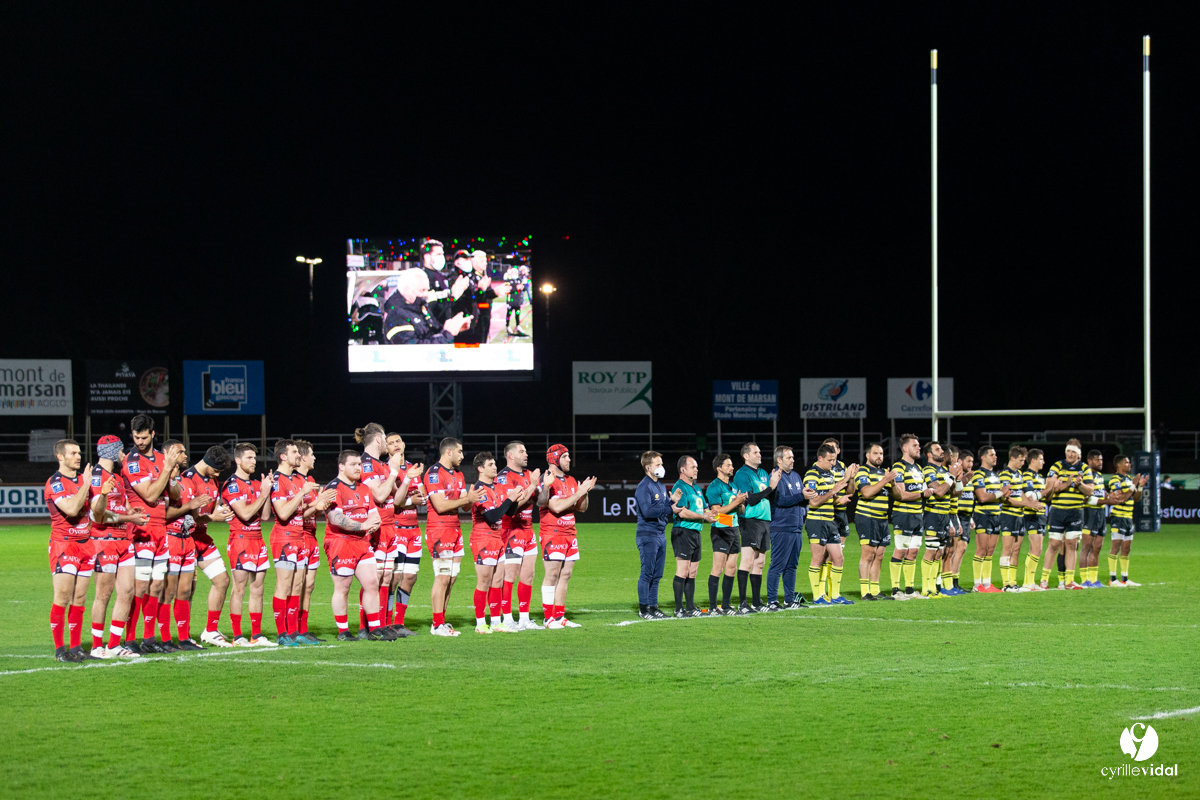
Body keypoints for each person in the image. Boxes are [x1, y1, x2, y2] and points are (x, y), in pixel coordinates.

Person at [123, 414, 185, 653]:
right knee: (140, 587)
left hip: (161, 529)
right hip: (142, 530)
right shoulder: (133, 461)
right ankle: (129, 640)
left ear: (153, 434)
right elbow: (149, 496)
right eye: (136, 437)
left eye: (144, 436)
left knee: (157, 586)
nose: (139, 441)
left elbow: (177, 495)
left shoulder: (162, 458)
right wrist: (168, 471)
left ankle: (149, 639)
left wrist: (170, 477)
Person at [323, 451, 398, 640]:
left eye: (359, 464)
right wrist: (363, 525)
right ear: (341, 466)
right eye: (353, 464)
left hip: (362, 542)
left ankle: (374, 628)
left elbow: (374, 513)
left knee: (372, 583)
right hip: (341, 542)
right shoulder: (333, 488)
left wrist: (374, 523)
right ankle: (343, 631)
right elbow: (335, 518)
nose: (359, 468)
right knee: (343, 587)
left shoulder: (364, 489)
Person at [87, 436, 148, 658]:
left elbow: (122, 508)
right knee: (103, 594)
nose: (124, 456)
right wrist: (127, 517)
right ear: (113, 452)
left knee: (128, 592)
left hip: (124, 541)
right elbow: (97, 515)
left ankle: (113, 645)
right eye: (121, 452)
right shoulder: (96, 476)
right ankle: (96, 646)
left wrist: (132, 514)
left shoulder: (118, 478)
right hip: (104, 541)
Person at [178, 446, 238, 647]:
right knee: (188, 590)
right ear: (207, 463)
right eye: (217, 470)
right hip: (186, 539)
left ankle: (211, 631)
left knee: (222, 580)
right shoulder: (187, 479)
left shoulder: (212, 480)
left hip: (202, 538)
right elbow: (186, 517)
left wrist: (220, 511)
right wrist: (213, 517)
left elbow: (210, 510)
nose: (218, 475)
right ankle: (183, 636)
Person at [423, 437, 483, 637]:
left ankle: (441, 621)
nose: (462, 456)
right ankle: (436, 624)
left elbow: (464, 505)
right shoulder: (433, 473)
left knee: (451, 578)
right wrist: (466, 498)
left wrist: (472, 499)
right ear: (448, 452)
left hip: (455, 528)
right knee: (442, 577)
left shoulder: (458, 474)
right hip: (439, 529)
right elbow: (440, 506)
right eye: (460, 452)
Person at [45, 439, 98, 662]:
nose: (78, 456)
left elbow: (97, 510)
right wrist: (86, 484)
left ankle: (76, 648)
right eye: (73, 453)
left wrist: (102, 493)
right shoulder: (55, 483)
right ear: (60, 457)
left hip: (86, 544)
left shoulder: (81, 480)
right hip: (64, 545)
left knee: (80, 598)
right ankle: (60, 650)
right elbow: (72, 508)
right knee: (63, 596)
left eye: (79, 452)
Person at [221, 443, 276, 646]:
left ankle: (256, 635)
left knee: (258, 589)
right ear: (238, 460)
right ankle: (237, 636)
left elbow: (265, 515)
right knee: (239, 589)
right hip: (240, 541)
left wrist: (266, 492)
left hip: (258, 540)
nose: (254, 462)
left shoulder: (255, 484)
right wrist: (262, 494)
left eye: (255, 458)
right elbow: (244, 514)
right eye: (249, 458)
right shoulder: (232, 484)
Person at [160, 440, 211, 650]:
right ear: (168, 453)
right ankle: (164, 639)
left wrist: (196, 513)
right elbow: (162, 514)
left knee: (185, 592)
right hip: (170, 539)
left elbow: (193, 513)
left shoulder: (188, 482)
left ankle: (183, 638)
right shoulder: (161, 481)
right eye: (180, 452)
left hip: (188, 541)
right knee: (168, 592)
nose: (185, 455)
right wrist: (189, 506)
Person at [538, 444, 596, 628]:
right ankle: (548, 618)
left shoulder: (571, 480)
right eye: (565, 457)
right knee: (552, 574)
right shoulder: (548, 479)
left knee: (566, 575)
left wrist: (584, 492)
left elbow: (582, 508)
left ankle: (559, 616)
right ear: (554, 459)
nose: (569, 459)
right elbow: (555, 507)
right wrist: (579, 492)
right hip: (552, 533)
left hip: (570, 533)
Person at [357, 423, 407, 636]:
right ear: (378, 439)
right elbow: (378, 495)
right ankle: (364, 627)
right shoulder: (367, 463)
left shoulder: (383, 465)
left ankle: (382, 624)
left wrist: (407, 478)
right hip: (374, 529)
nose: (388, 443)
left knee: (386, 577)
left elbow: (396, 499)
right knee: (373, 578)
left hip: (389, 526)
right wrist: (394, 471)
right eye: (385, 438)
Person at [269, 439, 320, 645]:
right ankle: (282, 634)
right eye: (294, 452)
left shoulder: (297, 480)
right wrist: (302, 493)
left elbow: (301, 513)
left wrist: (316, 504)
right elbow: (282, 513)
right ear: (283, 456)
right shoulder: (277, 479)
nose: (298, 456)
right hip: (283, 538)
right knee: (284, 585)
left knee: (297, 585)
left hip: (300, 537)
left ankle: (293, 632)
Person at [469, 452, 525, 633]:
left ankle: (496, 621)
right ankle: (480, 623)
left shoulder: (498, 488)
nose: (495, 467)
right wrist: (510, 498)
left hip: (497, 538)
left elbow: (509, 513)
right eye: (491, 465)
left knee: (497, 581)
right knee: (484, 581)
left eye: (495, 464)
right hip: (482, 539)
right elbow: (492, 516)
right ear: (480, 468)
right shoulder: (479, 489)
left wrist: (515, 498)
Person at [497, 441, 542, 630]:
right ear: (511, 456)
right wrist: (532, 486)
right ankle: (507, 618)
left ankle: (524, 618)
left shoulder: (529, 475)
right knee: (511, 575)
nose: (526, 454)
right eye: (522, 451)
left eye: (526, 451)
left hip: (528, 530)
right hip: (511, 531)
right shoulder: (503, 477)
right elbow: (511, 509)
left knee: (528, 575)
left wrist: (544, 487)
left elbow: (540, 501)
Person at [804, 443, 855, 606]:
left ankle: (835, 595)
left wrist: (838, 499)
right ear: (820, 458)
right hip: (816, 521)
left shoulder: (829, 474)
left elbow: (829, 497)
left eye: (834, 460)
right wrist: (834, 491)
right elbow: (813, 502)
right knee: (818, 558)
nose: (833, 463)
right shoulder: (812, 475)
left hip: (830, 521)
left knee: (838, 557)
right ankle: (818, 596)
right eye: (830, 460)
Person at [733, 443, 781, 612]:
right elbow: (750, 499)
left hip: (764, 520)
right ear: (746, 456)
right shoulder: (741, 474)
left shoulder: (762, 473)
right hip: (750, 520)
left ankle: (756, 602)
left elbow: (769, 496)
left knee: (759, 563)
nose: (759, 454)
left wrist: (774, 486)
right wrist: (771, 486)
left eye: (760, 451)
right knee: (747, 560)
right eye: (755, 452)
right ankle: (742, 603)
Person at [384, 432, 424, 635]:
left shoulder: (413, 468)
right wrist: (410, 500)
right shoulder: (386, 470)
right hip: (395, 528)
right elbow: (392, 501)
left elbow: (422, 496)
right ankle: (386, 622)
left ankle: (398, 623)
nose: (395, 445)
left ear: (404, 444)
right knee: (394, 577)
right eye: (390, 443)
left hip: (414, 530)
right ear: (386, 449)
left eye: (398, 441)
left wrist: (420, 497)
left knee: (410, 577)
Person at [668, 455, 716, 617]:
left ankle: (689, 607)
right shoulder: (679, 487)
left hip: (696, 532)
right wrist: (704, 517)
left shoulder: (695, 488)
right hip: (683, 531)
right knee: (682, 570)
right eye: (693, 467)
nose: (697, 469)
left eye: (696, 467)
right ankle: (678, 609)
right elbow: (682, 511)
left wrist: (713, 515)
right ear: (683, 470)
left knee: (692, 572)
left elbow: (702, 510)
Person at [1042, 439, 1092, 591]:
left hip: (1076, 512)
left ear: (1079, 454)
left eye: (1073, 452)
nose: (1070, 454)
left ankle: (1069, 581)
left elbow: (1090, 491)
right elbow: (1050, 489)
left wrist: (1079, 485)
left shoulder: (1084, 468)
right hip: (1058, 511)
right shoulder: (1057, 466)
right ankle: (1044, 580)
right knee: (1054, 544)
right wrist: (1066, 484)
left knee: (1072, 545)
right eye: (1068, 451)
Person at [294, 440, 330, 640]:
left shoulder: (310, 479)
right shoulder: (294, 481)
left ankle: (303, 628)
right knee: (297, 585)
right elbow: (292, 513)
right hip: (298, 536)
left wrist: (322, 504)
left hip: (312, 535)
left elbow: (312, 510)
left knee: (309, 586)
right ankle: (293, 630)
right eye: (312, 454)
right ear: (303, 457)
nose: (315, 457)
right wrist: (316, 504)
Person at [766, 445, 810, 610]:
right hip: (781, 527)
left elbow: (798, 499)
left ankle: (789, 600)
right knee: (777, 565)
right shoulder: (775, 476)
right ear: (779, 460)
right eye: (789, 457)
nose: (793, 460)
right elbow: (781, 500)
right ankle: (771, 601)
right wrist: (801, 496)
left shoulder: (796, 476)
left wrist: (807, 497)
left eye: (792, 457)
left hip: (796, 527)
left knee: (792, 566)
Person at [704, 453, 747, 615]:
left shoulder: (734, 486)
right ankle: (713, 607)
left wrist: (740, 503)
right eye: (728, 465)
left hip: (734, 528)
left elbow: (740, 510)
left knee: (731, 568)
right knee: (718, 568)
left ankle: (726, 606)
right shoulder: (715, 486)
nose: (732, 468)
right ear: (719, 468)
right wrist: (735, 502)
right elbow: (716, 512)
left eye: (731, 465)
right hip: (721, 529)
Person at [889, 433, 931, 599]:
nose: (918, 448)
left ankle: (909, 589)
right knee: (901, 550)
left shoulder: (918, 469)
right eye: (915, 445)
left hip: (917, 515)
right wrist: (922, 494)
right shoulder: (898, 468)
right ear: (905, 448)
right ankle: (895, 590)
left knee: (913, 551)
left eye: (918, 445)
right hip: (903, 514)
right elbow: (901, 495)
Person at [381, 268, 472, 344]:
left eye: (427, 290)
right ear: (407, 290)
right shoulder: (396, 316)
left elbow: (432, 333)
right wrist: (447, 334)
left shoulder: (420, 308)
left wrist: (452, 328)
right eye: (422, 290)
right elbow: (412, 351)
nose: (426, 294)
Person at [997, 446, 1042, 592]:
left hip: (1019, 516)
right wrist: (1027, 503)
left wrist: (1030, 504)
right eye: (1021, 460)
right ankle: (1006, 584)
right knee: (1007, 549)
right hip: (1008, 516)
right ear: (1012, 458)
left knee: (1016, 550)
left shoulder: (1019, 474)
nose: (1023, 463)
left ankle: (1013, 581)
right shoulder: (1005, 475)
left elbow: (1020, 493)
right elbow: (1007, 499)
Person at [854, 442, 896, 601]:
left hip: (882, 518)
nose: (879, 456)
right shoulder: (863, 471)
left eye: (881, 454)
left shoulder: (883, 473)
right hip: (867, 516)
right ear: (868, 455)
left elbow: (897, 495)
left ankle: (875, 589)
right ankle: (865, 591)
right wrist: (885, 480)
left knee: (879, 554)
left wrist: (892, 483)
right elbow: (866, 492)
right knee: (868, 553)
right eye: (876, 453)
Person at [634, 451, 672, 619]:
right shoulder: (644, 486)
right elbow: (648, 511)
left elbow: (663, 508)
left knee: (657, 575)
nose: (661, 467)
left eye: (661, 464)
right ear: (648, 467)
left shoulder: (661, 486)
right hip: (647, 534)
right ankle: (644, 609)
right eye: (658, 464)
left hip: (660, 534)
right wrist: (671, 508)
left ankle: (653, 606)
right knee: (647, 573)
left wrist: (672, 501)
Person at [919, 440, 958, 598]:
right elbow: (940, 492)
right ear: (929, 454)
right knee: (931, 551)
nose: (942, 451)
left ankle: (933, 589)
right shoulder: (928, 470)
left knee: (939, 552)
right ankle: (925, 589)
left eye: (942, 449)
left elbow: (956, 493)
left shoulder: (943, 470)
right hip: (933, 514)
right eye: (937, 449)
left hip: (944, 515)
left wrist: (960, 479)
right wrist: (951, 477)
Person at [967, 445, 1008, 593]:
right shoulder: (978, 474)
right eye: (992, 455)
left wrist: (1004, 496)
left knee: (990, 551)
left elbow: (997, 497)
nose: (995, 457)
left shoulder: (996, 475)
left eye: (995, 454)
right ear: (983, 457)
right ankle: (977, 585)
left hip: (995, 515)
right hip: (983, 515)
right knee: (982, 549)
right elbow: (983, 497)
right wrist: (1000, 493)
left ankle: (987, 584)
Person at [1106, 456, 1148, 587]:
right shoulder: (1115, 480)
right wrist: (1132, 486)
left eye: (1130, 462)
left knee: (1126, 548)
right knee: (1116, 546)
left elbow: (1135, 498)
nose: (1129, 464)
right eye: (1127, 462)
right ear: (1119, 465)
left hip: (1129, 518)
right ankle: (1112, 579)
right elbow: (1121, 498)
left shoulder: (1129, 480)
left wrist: (1139, 487)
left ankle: (1124, 578)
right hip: (1118, 517)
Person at [948, 448, 976, 593]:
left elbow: (968, 498)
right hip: (956, 515)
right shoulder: (956, 476)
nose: (971, 464)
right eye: (968, 461)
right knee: (953, 549)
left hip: (965, 517)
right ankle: (950, 581)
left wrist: (970, 517)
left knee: (961, 548)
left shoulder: (968, 477)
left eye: (972, 461)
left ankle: (955, 581)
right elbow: (955, 497)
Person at [1021, 449, 1049, 591]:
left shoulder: (1039, 477)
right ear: (1033, 460)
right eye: (1041, 459)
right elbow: (1032, 496)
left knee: (1038, 549)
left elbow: (1044, 496)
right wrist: (1048, 488)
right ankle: (1028, 582)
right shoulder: (1027, 475)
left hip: (1040, 514)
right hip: (1031, 514)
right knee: (1035, 549)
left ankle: (1030, 582)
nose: (1043, 462)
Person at [1080, 449, 1108, 588]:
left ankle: (1094, 579)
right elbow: (1084, 499)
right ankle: (1084, 580)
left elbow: (1100, 494)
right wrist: (1106, 501)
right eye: (1097, 460)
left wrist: (1108, 496)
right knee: (1086, 547)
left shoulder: (1100, 476)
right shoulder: (1086, 476)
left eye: (1101, 460)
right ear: (1089, 461)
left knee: (1097, 547)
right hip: (1089, 513)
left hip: (1100, 514)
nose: (1100, 462)